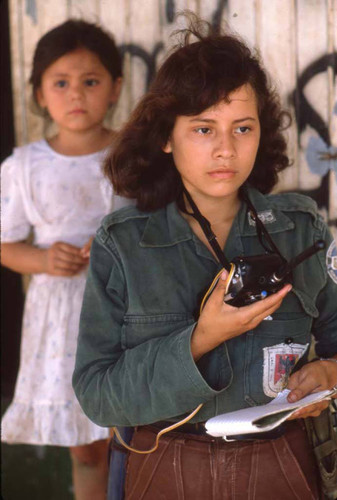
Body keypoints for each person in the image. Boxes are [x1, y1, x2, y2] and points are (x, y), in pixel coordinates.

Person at [73, 15, 337, 499]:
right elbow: (96, 394)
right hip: (166, 467)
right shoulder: (124, 245)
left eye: (242, 127)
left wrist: (329, 374)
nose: (225, 149)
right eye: (202, 129)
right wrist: (200, 340)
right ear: (166, 137)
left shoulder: (303, 229)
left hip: (282, 464)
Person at [1, 19, 129, 500]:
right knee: (85, 445)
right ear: (38, 93)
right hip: (62, 324)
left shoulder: (131, 156)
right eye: (61, 83)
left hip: (124, 309)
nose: (76, 94)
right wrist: (41, 259)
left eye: (90, 81)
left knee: (129, 432)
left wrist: (118, 247)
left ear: (115, 88)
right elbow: (4, 244)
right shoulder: (24, 167)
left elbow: (159, 225)